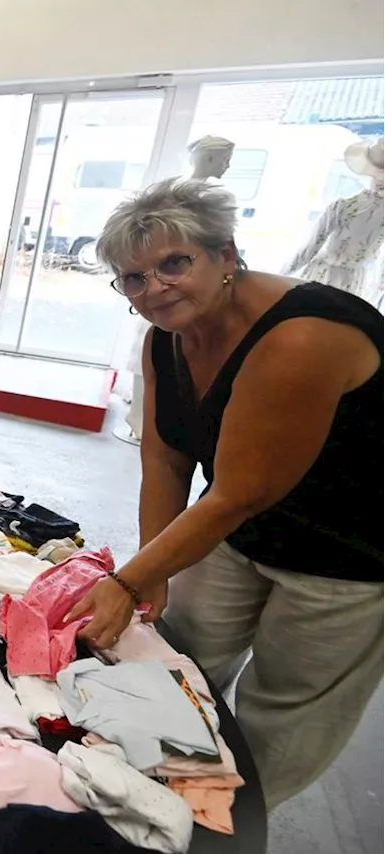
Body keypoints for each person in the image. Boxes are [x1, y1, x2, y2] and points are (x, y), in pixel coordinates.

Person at [66, 178, 385, 808]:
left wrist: (131, 579)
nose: (153, 288)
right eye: (132, 278)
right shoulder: (166, 336)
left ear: (227, 257)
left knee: (285, 708)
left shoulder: (302, 334)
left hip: (350, 549)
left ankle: (230, 824)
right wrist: (152, 565)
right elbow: (164, 453)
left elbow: (240, 490)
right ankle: (161, 791)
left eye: (174, 263)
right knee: (182, 653)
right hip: (239, 528)